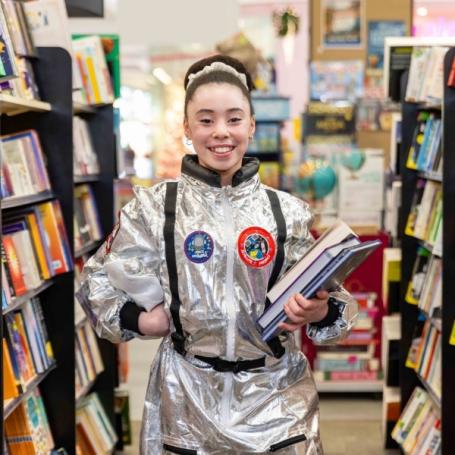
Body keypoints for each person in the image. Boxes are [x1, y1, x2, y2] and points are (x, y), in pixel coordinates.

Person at [77, 55, 358, 454]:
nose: (221, 132)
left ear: (252, 125)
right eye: (206, 120)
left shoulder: (287, 212)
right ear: (187, 128)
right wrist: (139, 320)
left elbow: (339, 304)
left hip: (277, 400)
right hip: (185, 400)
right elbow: (95, 282)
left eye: (234, 119)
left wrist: (319, 311)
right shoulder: (155, 208)